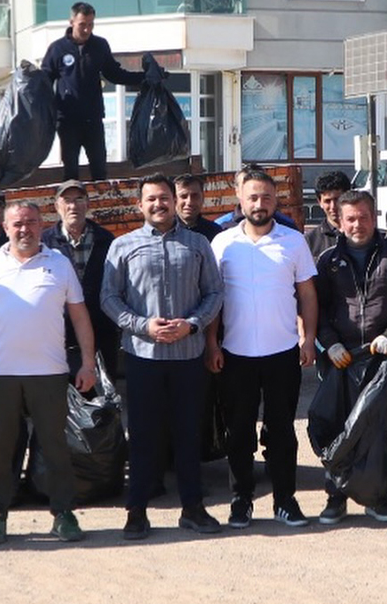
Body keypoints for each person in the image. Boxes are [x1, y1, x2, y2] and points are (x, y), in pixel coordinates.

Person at [0, 202, 98, 544]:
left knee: (56, 449)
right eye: (18, 223)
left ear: (41, 225)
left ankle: (63, 513)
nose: (25, 229)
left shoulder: (59, 263)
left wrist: (88, 363)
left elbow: (80, 317)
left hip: (49, 373)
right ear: (6, 227)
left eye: (32, 223)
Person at [101, 174, 225, 540]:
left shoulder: (199, 243)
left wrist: (193, 324)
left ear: (174, 201)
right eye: (151, 199)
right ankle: (136, 511)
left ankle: (193, 508)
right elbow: (109, 297)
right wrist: (141, 325)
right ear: (140, 205)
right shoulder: (124, 246)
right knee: (143, 435)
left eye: (164, 198)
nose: (159, 204)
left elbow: (215, 292)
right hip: (143, 356)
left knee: (189, 434)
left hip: (188, 356)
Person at [206, 170, 318, 529]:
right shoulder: (222, 244)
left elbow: (307, 294)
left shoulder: (293, 242)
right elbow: (214, 300)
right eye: (253, 197)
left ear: (275, 201)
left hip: (282, 352)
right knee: (238, 432)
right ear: (240, 199)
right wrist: (211, 343)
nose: (259, 204)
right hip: (235, 354)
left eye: (266, 198)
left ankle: (286, 500)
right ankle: (242, 500)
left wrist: (309, 337)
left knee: (282, 430)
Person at [314, 190, 387, 525]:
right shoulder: (328, 260)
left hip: (381, 357)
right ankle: (336, 497)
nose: (357, 224)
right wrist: (329, 344)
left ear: (374, 217)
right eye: (350, 219)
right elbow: (320, 310)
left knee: (378, 428)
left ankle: (378, 496)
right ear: (340, 222)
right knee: (338, 427)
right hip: (340, 358)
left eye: (363, 217)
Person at [42, 2, 147, 181]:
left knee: (99, 168)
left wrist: (143, 79)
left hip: (93, 117)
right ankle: (71, 205)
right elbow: (44, 81)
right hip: (67, 120)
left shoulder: (99, 45)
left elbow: (114, 74)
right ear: (71, 22)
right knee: (71, 170)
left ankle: (101, 206)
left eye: (91, 24)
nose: (86, 29)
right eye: (82, 24)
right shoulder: (57, 49)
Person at [41, 179, 119, 378]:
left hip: (101, 334)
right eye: (67, 200)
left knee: (102, 401)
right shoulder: (44, 243)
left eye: (79, 199)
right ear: (57, 206)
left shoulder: (106, 240)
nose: (73, 206)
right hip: (58, 337)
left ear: (88, 204)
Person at [215, 164, 299, 230]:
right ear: (237, 191)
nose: (258, 204)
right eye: (245, 185)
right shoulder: (221, 227)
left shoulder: (287, 226)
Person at [305, 170, 351, 260]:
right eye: (327, 201)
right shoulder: (310, 241)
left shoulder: (363, 235)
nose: (333, 206)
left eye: (337, 199)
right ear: (319, 202)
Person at [174, 173, 225, 242]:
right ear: (174, 199)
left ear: (203, 198)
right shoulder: (164, 231)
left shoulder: (215, 232)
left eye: (195, 196)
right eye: (183, 196)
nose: (189, 202)